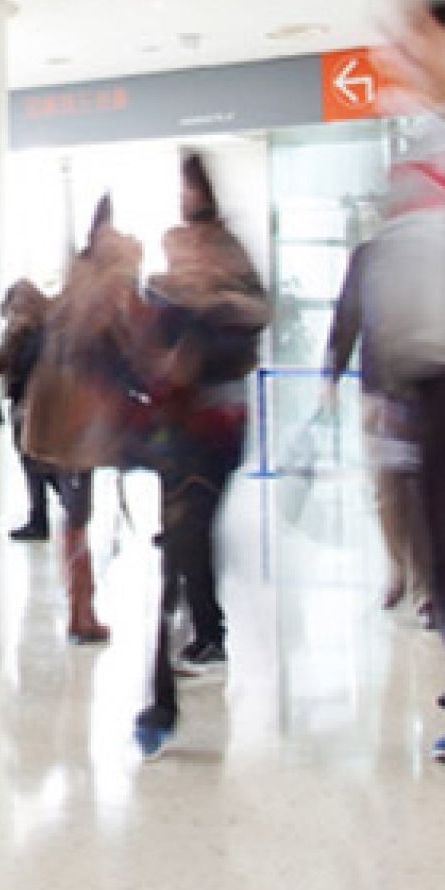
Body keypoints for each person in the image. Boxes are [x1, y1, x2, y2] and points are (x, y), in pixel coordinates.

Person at [133, 151, 270, 759]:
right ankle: (192, 648)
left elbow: (249, 325)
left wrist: (205, 310)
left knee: (188, 535)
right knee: (181, 540)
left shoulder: (230, 269)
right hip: (173, 426)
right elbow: (145, 349)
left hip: (215, 424)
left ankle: (203, 639)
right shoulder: (167, 282)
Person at [368, 0, 445, 763]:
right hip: (431, 383)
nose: (394, 54)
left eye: (405, 36)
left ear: (444, 31)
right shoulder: (417, 149)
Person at [23, 193, 143, 645]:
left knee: (76, 512)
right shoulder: (105, 286)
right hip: (83, 414)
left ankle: (81, 605)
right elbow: (122, 346)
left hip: (60, 414)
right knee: (78, 510)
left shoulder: (78, 283)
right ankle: (81, 609)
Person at [322, 240, 430, 616]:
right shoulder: (369, 256)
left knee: (420, 492)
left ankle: (423, 586)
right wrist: (330, 375)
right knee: (386, 489)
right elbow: (346, 317)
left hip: (424, 390)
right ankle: (397, 571)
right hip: (379, 390)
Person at [0, 278, 53, 540]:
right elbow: (0, 366)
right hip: (21, 405)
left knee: (40, 464)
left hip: (36, 407)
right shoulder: (16, 336)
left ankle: (42, 517)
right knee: (31, 464)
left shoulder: (42, 335)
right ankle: (39, 516)